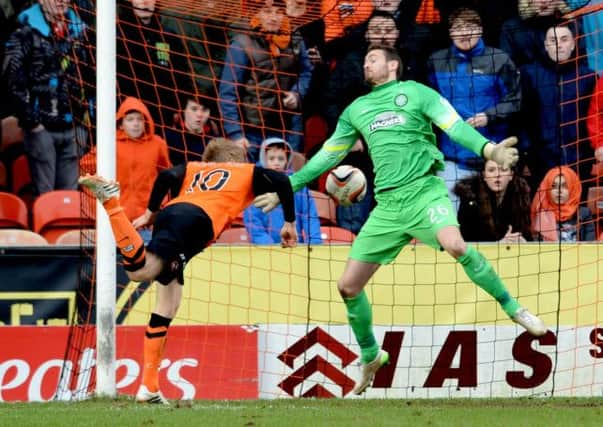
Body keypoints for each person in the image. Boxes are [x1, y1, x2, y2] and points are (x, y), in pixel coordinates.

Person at [254, 44, 547, 396]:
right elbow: (328, 155)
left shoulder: (417, 92)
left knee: (456, 245)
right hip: (388, 205)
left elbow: (454, 127)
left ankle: (514, 308)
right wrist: (289, 185)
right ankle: (371, 355)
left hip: (424, 191)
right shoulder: (356, 110)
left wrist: (489, 149)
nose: (366, 63)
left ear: (393, 65)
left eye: (373, 58)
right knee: (347, 286)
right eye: (364, 59)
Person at [79, 138, 298, 404]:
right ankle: (111, 202)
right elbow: (284, 181)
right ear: (234, 158)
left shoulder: (194, 168)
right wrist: (289, 223)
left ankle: (149, 388)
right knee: (140, 272)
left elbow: (166, 176)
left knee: (168, 303)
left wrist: (150, 212)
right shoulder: (245, 171)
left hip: (173, 214)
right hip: (197, 222)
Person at [428, 7, 522, 211]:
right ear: (450, 33)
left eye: (470, 27)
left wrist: (489, 116)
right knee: (447, 221)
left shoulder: (499, 59)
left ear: (480, 30)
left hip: (492, 158)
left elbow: (515, 100)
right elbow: (429, 104)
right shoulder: (436, 62)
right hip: (452, 159)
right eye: (458, 28)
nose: (464, 33)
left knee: (493, 222)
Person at [3, 0, 92, 196]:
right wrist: (33, 123)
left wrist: (87, 118)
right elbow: (13, 82)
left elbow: (91, 76)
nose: (61, 1)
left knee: (70, 195)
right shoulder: (24, 33)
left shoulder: (82, 32)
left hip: (75, 128)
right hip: (41, 128)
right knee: (45, 194)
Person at [218, 0, 313, 160]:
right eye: (268, 11)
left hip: (288, 127)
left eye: (278, 12)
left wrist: (296, 94)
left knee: (288, 179)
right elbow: (228, 92)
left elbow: (306, 72)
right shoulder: (242, 43)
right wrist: (235, 134)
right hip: (252, 131)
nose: (274, 17)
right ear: (257, 13)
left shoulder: (295, 38)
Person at [80, 97, 171, 242]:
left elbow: (167, 177)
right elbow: (85, 168)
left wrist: (158, 207)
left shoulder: (157, 144)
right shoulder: (109, 143)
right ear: (121, 124)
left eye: (139, 119)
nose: (135, 124)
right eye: (130, 119)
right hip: (114, 222)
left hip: (146, 224)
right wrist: (99, 199)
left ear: (145, 121)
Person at [520, 23, 596, 190]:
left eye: (564, 39)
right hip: (541, 161)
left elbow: (595, 118)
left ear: (573, 44)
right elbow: (522, 119)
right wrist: (526, 156)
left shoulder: (588, 77)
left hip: (579, 160)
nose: (559, 45)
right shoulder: (530, 74)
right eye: (553, 40)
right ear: (546, 45)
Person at [244, 137, 322, 244]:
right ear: (264, 160)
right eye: (271, 158)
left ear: (287, 160)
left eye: (281, 159)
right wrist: (270, 246)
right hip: (266, 251)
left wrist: (314, 244)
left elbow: (310, 217)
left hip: (294, 246)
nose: (276, 163)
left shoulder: (299, 186)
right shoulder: (255, 186)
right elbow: (253, 222)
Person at [454, 160, 532, 242]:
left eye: (503, 170)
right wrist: (499, 244)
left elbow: (526, 233)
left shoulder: (520, 195)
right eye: (491, 170)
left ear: (511, 175)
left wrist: (522, 241)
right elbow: (466, 240)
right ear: (484, 175)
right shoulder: (470, 199)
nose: (497, 175)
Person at [531, 166, 596, 241]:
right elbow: (536, 245)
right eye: (554, 186)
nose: (559, 191)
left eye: (564, 186)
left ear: (573, 189)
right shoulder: (542, 213)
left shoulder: (584, 213)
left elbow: (590, 244)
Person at [164, 92, 220, 166]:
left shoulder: (215, 142)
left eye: (204, 110)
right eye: (194, 109)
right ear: (184, 111)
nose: (199, 114)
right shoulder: (169, 138)